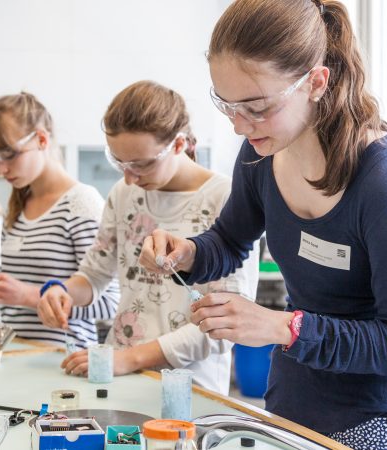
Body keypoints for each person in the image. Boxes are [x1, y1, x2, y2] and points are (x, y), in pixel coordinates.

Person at [139, 1, 387, 449]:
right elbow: (229, 239)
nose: (240, 126)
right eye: (227, 105)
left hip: (379, 414)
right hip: (291, 402)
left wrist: (284, 327)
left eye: (256, 106)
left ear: (316, 82)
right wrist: (188, 253)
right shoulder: (260, 154)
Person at [37, 81, 259, 395]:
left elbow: (223, 326)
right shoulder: (124, 192)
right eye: (119, 163)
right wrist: (63, 292)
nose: (129, 177)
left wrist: (130, 358)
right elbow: (94, 274)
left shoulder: (226, 198)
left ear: (179, 144)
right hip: (120, 376)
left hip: (190, 387)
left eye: (141, 165)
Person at [0, 92, 119, 349]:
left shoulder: (81, 203)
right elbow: (16, 292)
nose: (1, 169)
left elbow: (110, 303)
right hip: (16, 354)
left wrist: (28, 295)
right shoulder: (19, 204)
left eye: (9, 155)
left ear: (41, 139)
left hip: (65, 360)